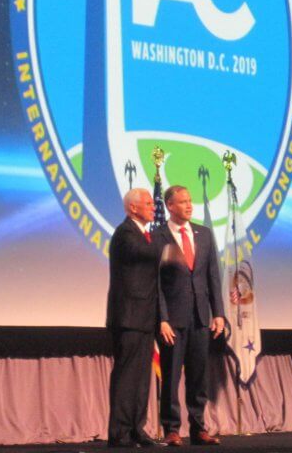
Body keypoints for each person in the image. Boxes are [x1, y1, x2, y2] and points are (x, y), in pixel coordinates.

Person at [154, 186, 225, 447]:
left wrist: (218, 313)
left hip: (200, 317)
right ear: (170, 206)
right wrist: (162, 318)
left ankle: (198, 429)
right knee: (171, 376)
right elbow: (156, 283)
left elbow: (213, 275)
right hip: (172, 320)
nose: (189, 205)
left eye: (190, 200)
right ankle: (172, 429)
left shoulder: (203, 234)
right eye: (183, 201)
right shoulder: (158, 236)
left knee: (198, 376)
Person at [106, 188, 161, 448]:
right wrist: (170, 245)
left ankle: (137, 429)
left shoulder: (145, 235)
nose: (153, 207)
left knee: (141, 379)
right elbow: (145, 253)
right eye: (148, 203)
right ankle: (120, 433)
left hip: (145, 317)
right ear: (133, 208)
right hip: (128, 317)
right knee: (127, 377)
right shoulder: (125, 233)